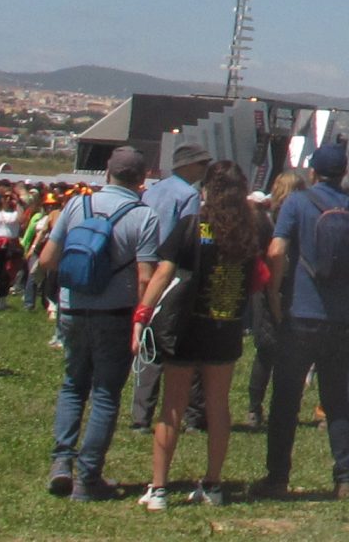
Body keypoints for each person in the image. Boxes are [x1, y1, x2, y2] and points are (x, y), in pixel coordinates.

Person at [134, 161, 263, 508]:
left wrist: (142, 315)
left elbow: (163, 274)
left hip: (187, 325)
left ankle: (159, 489)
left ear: (208, 191)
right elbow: (257, 279)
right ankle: (214, 484)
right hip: (226, 324)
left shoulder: (193, 225)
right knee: (218, 407)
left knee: (172, 407)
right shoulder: (249, 232)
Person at [42, 146, 164, 500]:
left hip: (74, 307)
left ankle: (61, 462)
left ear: (107, 173)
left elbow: (49, 259)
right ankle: (88, 476)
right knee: (106, 394)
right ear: (141, 180)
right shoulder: (144, 216)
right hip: (116, 312)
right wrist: (143, 315)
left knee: (72, 384)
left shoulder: (77, 205)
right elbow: (145, 276)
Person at [258, 141, 349, 499]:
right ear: (344, 173)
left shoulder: (297, 202)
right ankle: (345, 477)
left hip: (301, 312)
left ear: (312, 172)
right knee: (337, 398)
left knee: (286, 397)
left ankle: (277, 477)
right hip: (343, 314)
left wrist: (276, 294)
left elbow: (277, 250)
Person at [127, 138, 209, 434]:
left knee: (149, 344)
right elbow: (188, 235)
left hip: (147, 263)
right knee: (183, 344)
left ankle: (140, 416)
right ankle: (192, 415)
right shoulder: (188, 195)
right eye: (201, 163)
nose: (204, 169)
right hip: (177, 271)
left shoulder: (152, 191)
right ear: (188, 165)